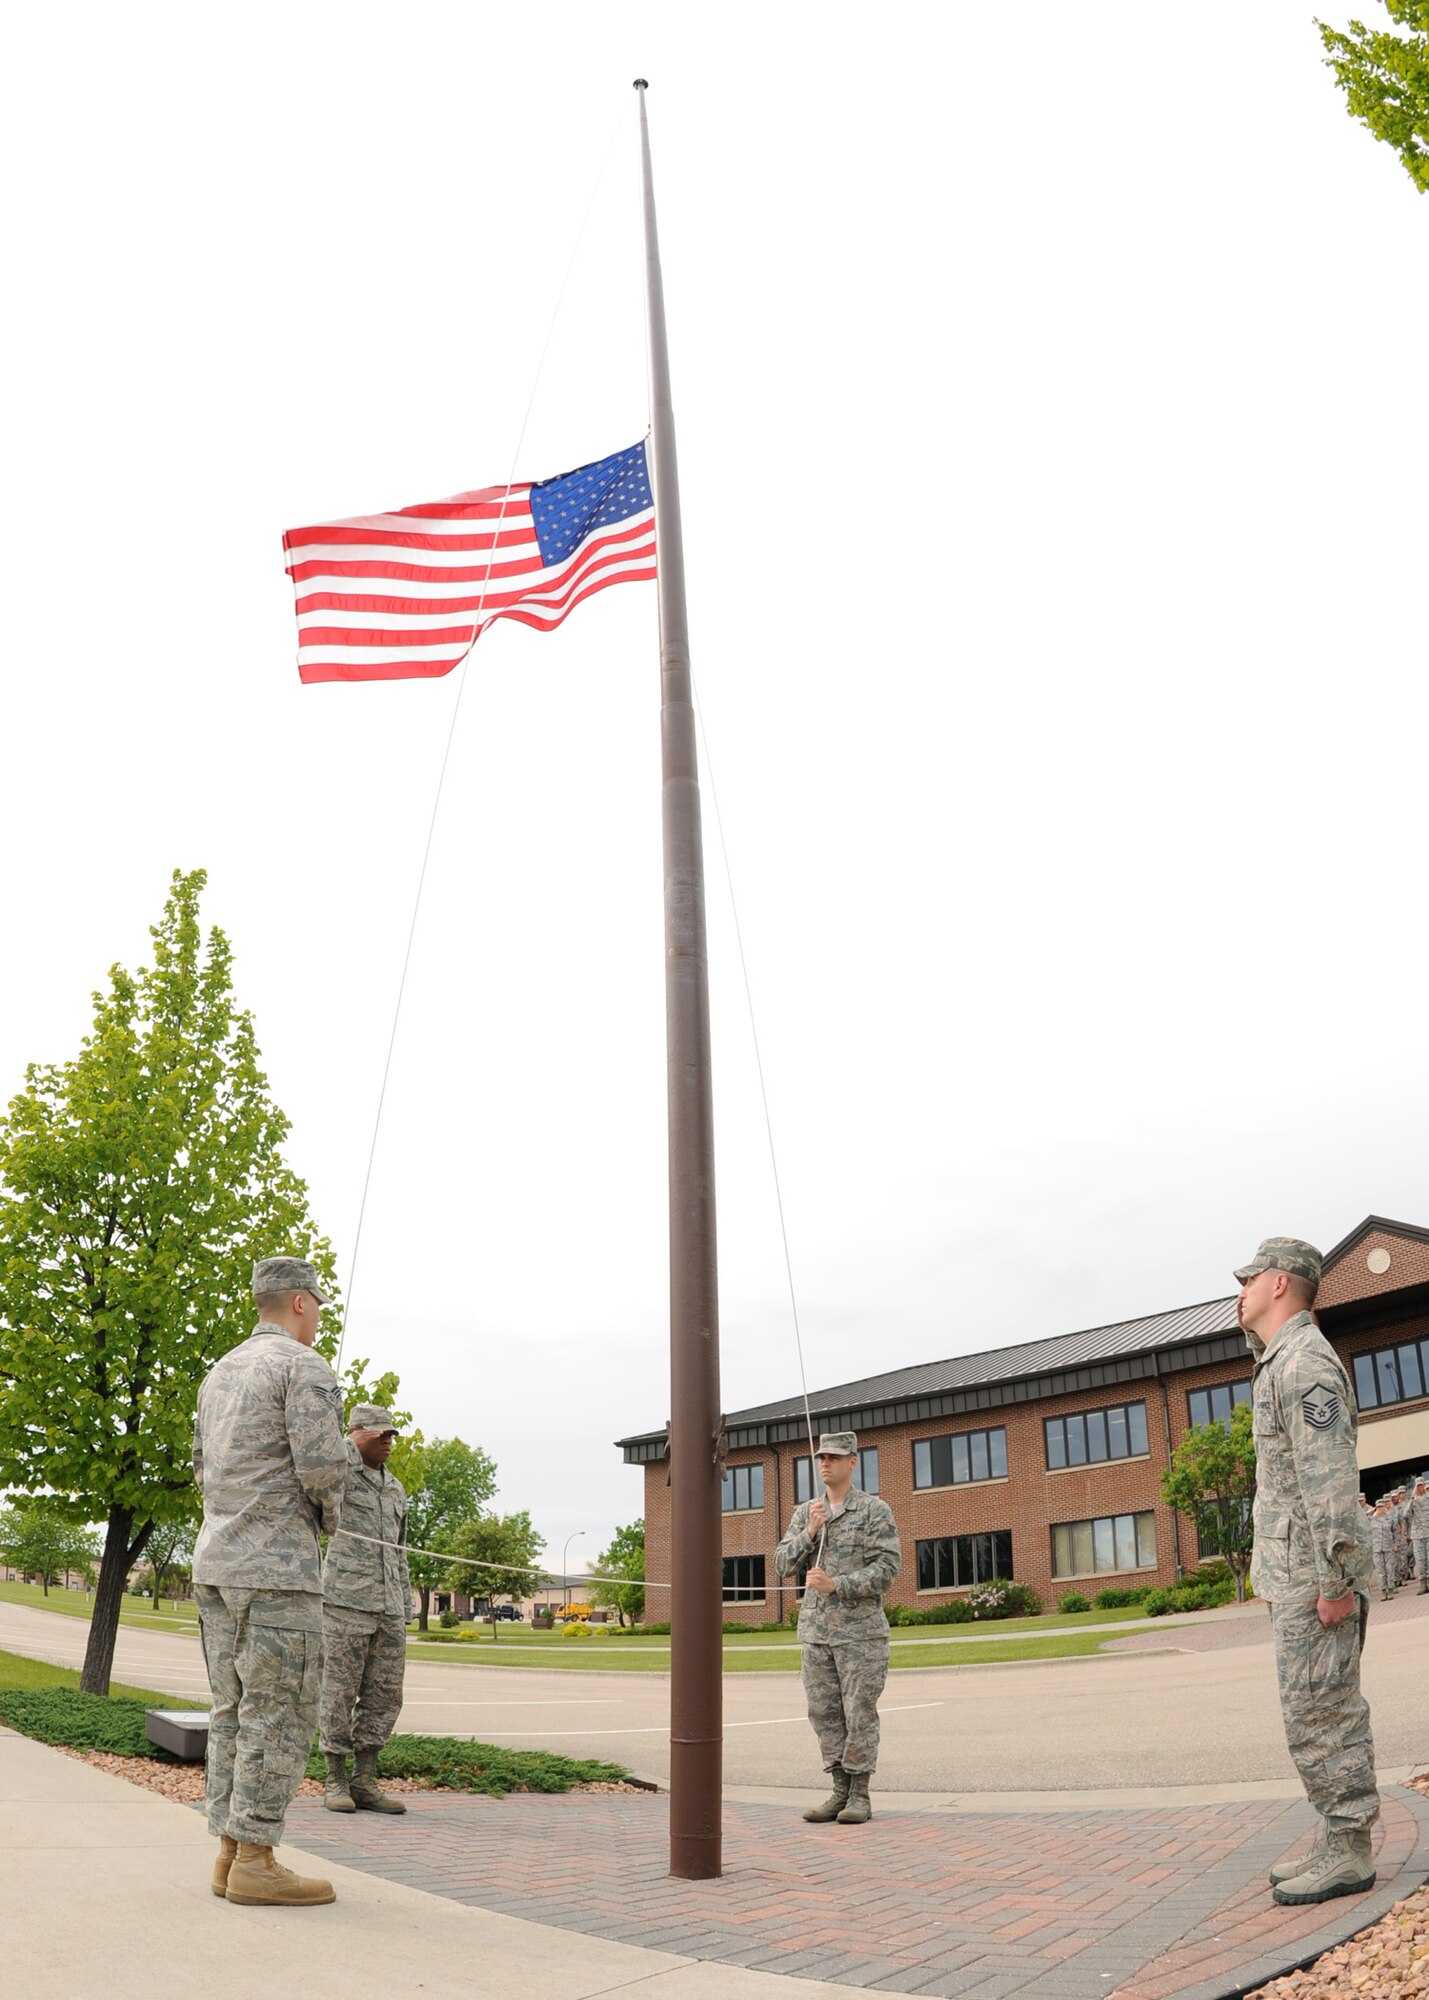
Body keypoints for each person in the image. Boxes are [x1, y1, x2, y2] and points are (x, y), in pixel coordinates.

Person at [192, 1256, 350, 1907]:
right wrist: (330, 1517)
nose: (319, 1316)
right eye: (317, 1305)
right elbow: (321, 1465)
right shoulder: (302, 1367)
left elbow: (202, 1467)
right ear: (300, 1304)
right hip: (277, 1572)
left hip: (217, 1565)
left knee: (233, 1711)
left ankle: (229, 1854)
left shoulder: (218, 1373)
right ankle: (256, 1856)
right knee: (279, 1715)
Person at [1235, 1236, 1378, 1906]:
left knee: (1322, 1710)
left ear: (1279, 1285)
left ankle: (1349, 1847)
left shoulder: (1305, 1364)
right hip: (1291, 1570)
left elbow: (1327, 1481)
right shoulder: (1278, 1361)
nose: (1237, 1292)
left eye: (1247, 1279)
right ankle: (1335, 1832)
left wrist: (1335, 1582)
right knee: (1307, 1712)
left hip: (1312, 1577)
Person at [773, 1431, 900, 1826]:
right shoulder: (807, 1513)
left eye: (834, 1456)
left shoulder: (874, 1511)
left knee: (858, 1712)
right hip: (816, 1634)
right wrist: (810, 1531)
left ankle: (860, 1794)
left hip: (860, 1635)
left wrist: (838, 1585)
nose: (825, 1463)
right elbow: (781, 1563)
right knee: (824, 1713)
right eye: (821, 1457)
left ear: (852, 1462)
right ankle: (838, 1789)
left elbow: (887, 1569)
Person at [319, 1403, 412, 1813]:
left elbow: (400, 1551)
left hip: (388, 1606)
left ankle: (363, 1780)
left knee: (385, 1695)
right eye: (380, 1435)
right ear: (359, 1434)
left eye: (391, 1435)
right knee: (338, 1693)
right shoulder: (339, 1472)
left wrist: (404, 1603)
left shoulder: (395, 1488)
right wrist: (349, 1443)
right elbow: (320, 1467)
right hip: (345, 1602)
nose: (388, 1442)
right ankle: (334, 1779)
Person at [1369, 1502, 1395, 1600]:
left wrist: (1395, 1544)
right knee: (1380, 1571)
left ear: (1385, 1507)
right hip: (1376, 1548)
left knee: (1389, 1569)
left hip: (1388, 1546)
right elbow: (1360, 1518)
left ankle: (1391, 1589)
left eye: (1382, 1507)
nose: (1380, 1509)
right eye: (1378, 1507)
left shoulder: (1390, 1518)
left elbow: (1395, 1531)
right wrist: (1370, 1511)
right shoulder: (1371, 1519)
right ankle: (1383, 1591)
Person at [1412, 1479, 1429, 1595]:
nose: (1419, 1488)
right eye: (1417, 1486)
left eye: (1421, 1485)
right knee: (1420, 1561)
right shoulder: (1413, 1501)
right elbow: (1405, 1514)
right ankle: (1423, 1584)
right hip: (1417, 1535)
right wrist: (1412, 1498)